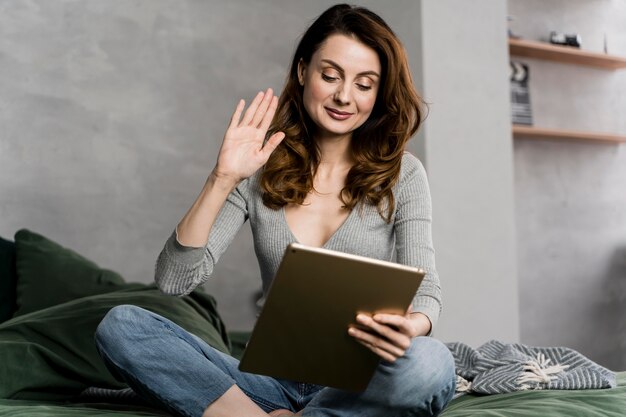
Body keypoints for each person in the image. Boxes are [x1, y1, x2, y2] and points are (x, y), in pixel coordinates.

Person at [95, 4, 456, 417]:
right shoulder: (258, 167)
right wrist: (222, 178)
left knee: (431, 362)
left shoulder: (403, 174)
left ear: (379, 92)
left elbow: (426, 290)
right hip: (265, 384)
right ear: (303, 72)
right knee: (121, 325)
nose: (344, 96)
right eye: (330, 75)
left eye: (364, 84)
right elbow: (174, 280)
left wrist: (414, 325)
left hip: (358, 379)